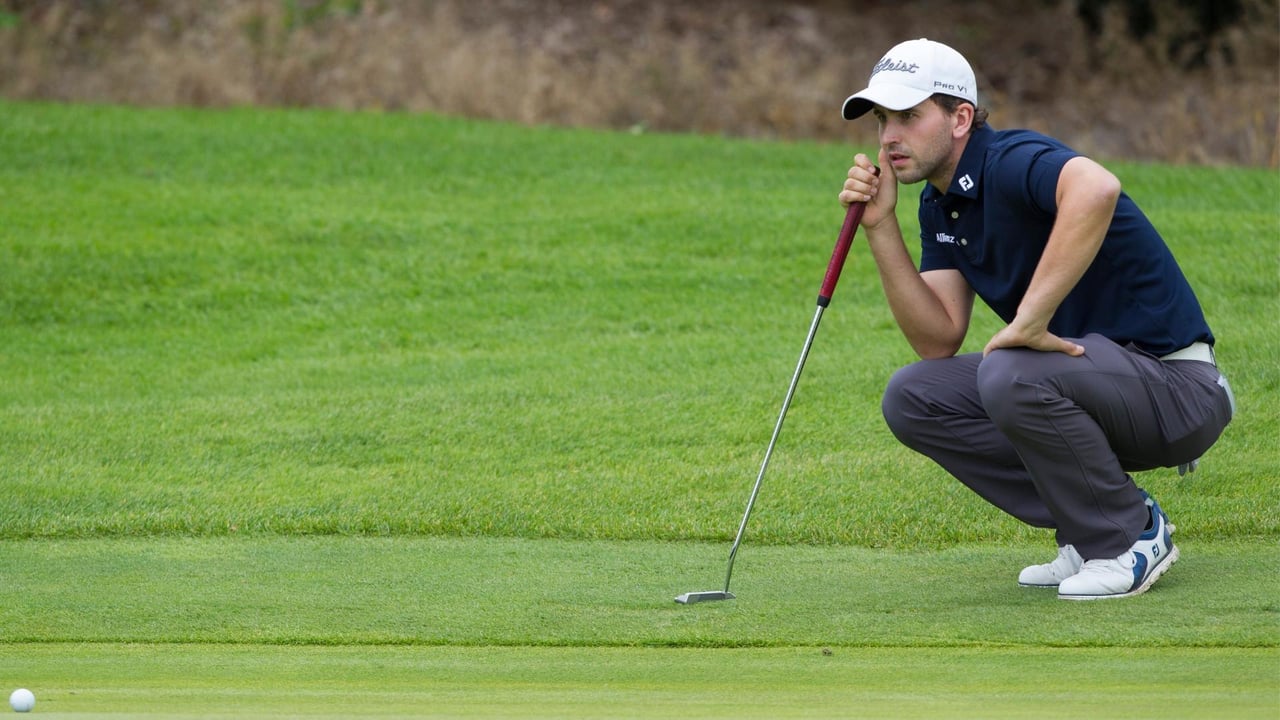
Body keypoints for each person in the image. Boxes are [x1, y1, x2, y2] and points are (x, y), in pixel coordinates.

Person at [837, 38, 1235, 600]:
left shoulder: (1010, 160)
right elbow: (937, 337)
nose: (889, 136)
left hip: (1179, 388)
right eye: (882, 120)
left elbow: (1096, 187)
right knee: (913, 396)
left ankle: (1129, 535)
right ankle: (1089, 523)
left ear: (961, 118)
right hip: (1092, 385)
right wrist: (881, 227)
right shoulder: (939, 202)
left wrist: (1031, 318)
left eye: (908, 116)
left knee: (1011, 371)